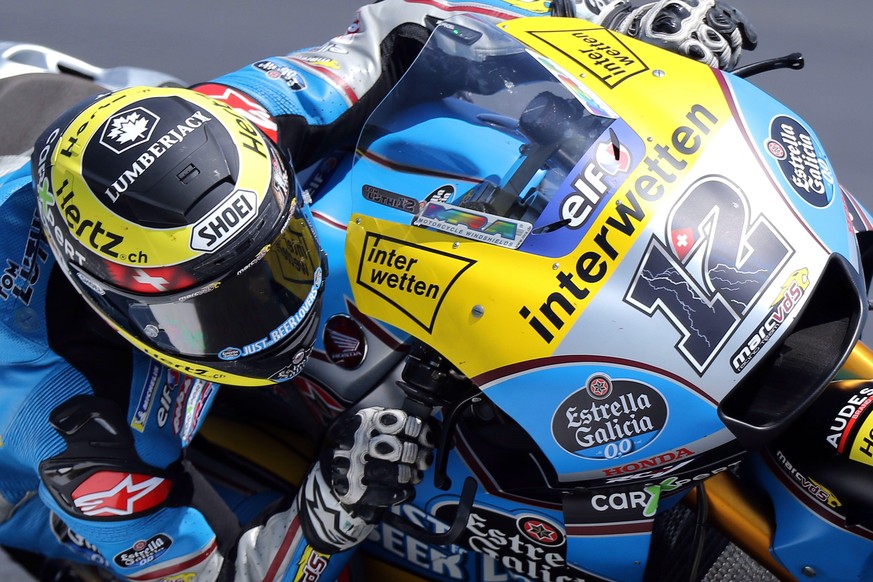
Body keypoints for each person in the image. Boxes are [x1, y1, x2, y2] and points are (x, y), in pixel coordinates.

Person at [0, 0, 757, 580]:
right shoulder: (60, 422)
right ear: (118, 302)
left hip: (64, 117)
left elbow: (409, 27)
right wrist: (327, 513)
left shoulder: (239, 118)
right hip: (41, 477)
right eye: (213, 308)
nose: (269, 314)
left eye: (272, 262)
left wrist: (602, 21)